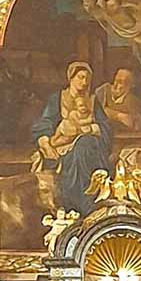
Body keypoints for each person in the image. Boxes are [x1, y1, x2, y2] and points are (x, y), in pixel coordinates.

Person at [30, 62, 113, 216]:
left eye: (87, 78)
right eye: (80, 77)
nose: (84, 82)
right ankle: (73, 202)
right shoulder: (58, 99)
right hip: (63, 146)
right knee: (74, 152)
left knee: (84, 146)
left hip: (90, 146)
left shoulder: (93, 101)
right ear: (71, 78)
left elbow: (105, 126)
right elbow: (45, 121)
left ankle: (86, 201)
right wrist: (45, 142)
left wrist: (90, 129)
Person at [96, 67, 141, 132]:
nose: (115, 85)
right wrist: (119, 116)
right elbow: (96, 111)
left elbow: (134, 124)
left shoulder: (132, 101)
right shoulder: (104, 90)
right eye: (115, 80)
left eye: (120, 82)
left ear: (130, 86)